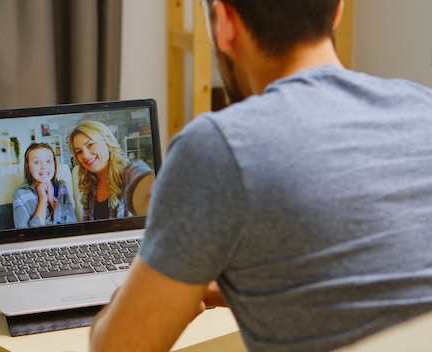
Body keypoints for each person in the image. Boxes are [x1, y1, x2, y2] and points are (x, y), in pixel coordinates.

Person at [89, 1, 432, 351]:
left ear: (224, 23)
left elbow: (116, 347)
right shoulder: (423, 107)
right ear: (337, 10)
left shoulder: (216, 147)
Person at [68, 120, 154, 221]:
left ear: (107, 144)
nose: (85, 155)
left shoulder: (131, 171)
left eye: (90, 144)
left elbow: (146, 179)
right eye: (79, 151)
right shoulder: (89, 186)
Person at [12, 143, 77, 228]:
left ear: (54, 164)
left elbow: (73, 226)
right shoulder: (20, 194)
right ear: (28, 168)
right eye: (36, 162)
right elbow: (24, 235)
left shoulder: (61, 188)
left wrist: (52, 201)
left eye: (48, 161)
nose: (43, 167)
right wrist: (42, 200)